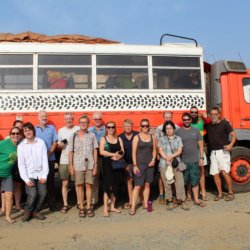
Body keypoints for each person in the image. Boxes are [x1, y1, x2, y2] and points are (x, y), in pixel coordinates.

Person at [18, 123, 49, 221]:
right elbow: (21, 164)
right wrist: (26, 179)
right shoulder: (21, 146)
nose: (28, 132)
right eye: (25, 131)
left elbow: (45, 160)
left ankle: (36, 211)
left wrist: (44, 175)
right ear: (23, 133)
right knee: (33, 194)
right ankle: (28, 212)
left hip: (40, 173)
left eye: (29, 130)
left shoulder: (41, 142)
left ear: (33, 130)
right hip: (29, 174)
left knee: (43, 193)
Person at [68, 115, 98, 218]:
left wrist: (95, 166)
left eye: (85, 122)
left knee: (89, 186)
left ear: (88, 123)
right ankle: (81, 207)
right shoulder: (73, 136)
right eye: (81, 122)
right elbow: (70, 151)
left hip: (89, 164)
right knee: (79, 186)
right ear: (79, 123)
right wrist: (71, 166)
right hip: (78, 165)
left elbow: (95, 150)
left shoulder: (92, 135)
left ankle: (89, 207)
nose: (83, 124)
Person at [205, 107, 237, 201]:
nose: (213, 116)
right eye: (211, 114)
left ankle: (230, 192)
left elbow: (233, 135)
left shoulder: (225, 124)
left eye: (215, 114)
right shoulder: (209, 125)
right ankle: (219, 194)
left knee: (224, 172)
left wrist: (231, 145)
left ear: (219, 114)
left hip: (223, 152)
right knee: (215, 174)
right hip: (213, 153)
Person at [176, 113, 206, 207]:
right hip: (183, 160)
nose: (186, 121)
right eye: (184, 120)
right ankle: (187, 195)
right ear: (182, 120)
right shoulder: (178, 131)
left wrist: (201, 157)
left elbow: (201, 145)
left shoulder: (196, 131)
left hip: (194, 159)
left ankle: (196, 199)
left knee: (195, 179)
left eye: (188, 119)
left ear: (190, 120)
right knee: (185, 180)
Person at [158, 121, 189, 210]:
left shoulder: (178, 138)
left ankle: (182, 200)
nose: (169, 130)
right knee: (167, 183)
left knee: (180, 182)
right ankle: (170, 201)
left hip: (176, 163)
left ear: (173, 129)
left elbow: (180, 150)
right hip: (164, 163)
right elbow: (160, 150)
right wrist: (167, 158)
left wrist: (171, 156)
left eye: (170, 128)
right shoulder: (161, 139)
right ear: (165, 130)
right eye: (167, 128)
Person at [129, 119, 156, 215]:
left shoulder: (153, 137)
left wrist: (153, 160)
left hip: (150, 165)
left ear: (149, 126)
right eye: (143, 125)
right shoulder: (136, 137)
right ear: (140, 126)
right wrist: (135, 165)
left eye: (146, 125)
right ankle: (132, 207)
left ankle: (145, 203)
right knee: (137, 186)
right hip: (139, 165)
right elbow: (133, 152)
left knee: (147, 184)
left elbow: (154, 151)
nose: (145, 127)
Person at [99, 121, 125, 217]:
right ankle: (105, 208)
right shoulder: (103, 139)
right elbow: (101, 152)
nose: (111, 129)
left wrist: (119, 157)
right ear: (106, 128)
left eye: (112, 127)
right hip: (107, 165)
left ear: (115, 128)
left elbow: (122, 151)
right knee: (107, 186)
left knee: (115, 185)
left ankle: (113, 206)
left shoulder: (119, 139)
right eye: (109, 127)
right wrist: (113, 154)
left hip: (117, 164)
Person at [35, 110, 58, 212]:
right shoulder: (34, 129)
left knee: (50, 183)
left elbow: (55, 142)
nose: (44, 118)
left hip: (50, 159)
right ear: (38, 117)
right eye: (42, 116)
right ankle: (40, 205)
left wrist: (48, 154)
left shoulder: (52, 128)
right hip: (37, 161)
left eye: (45, 116)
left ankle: (51, 205)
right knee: (39, 183)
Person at [155, 111, 179, 205]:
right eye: (166, 117)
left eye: (169, 117)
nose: (168, 118)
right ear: (163, 117)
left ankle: (173, 195)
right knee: (162, 176)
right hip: (163, 155)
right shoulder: (159, 128)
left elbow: (178, 140)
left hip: (173, 155)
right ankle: (162, 195)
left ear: (172, 117)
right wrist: (157, 153)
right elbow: (156, 141)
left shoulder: (176, 127)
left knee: (172, 175)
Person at [57, 113, 79, 213]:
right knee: (65, 183)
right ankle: (65, 204)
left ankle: (79, 202)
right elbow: (59, 146)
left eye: (70, 119)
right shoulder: (61, 130)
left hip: (77, 160)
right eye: (67, 119)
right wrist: (61, 144)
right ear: (64, 120)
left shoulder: (78, 128)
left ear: (73, 119)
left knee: (77, 183)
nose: (69, 120)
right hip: (64, 160)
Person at [0, 127, 20, 223]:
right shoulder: (4, 143)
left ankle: (8, 216)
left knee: (9, 195)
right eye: (13, 133)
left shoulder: (19, 146)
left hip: (8, 175)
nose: (15, 135)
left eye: (17, 133)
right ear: (10, 134)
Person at [189, 106, 210, 200]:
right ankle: (189, 193)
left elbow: (210, 121)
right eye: (192, 112)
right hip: (190, 150)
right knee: (190, 172)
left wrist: (206, 117)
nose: (194, 113)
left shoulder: (201, 121)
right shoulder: (187, 121)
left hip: (200, 149)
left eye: (195, 112)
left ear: (198, 113)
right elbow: (175, 126)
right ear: (190, 113)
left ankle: (203, 191)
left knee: (201, 171)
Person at [119, 119, 139, 209]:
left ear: (132, 126)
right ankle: (131, 200)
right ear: (123, 127)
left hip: (137, 164)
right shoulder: (120, 137)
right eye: (126, 126)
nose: (128, 127)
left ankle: (139, 199)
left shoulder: (137, 135)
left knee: (138, 180)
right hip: (127, 164)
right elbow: (120, 153)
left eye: (129, 126)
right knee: (129, 181)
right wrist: (124, 164)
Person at [88, 111, 105, 208]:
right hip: (93, 158)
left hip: (105, 157)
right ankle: (94, 201)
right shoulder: (89, 130)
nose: (98, 121)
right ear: (93, 120)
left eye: (99, 119)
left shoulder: (107, 129)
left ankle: (108, 200)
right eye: (95, 119)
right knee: (94, 179)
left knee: (107, 178)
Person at [12, 120, 25, 212]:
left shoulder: (24, 139)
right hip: (10, 165)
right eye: (17, 126)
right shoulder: (8, 139)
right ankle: (4, 207)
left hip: (19, 166)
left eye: (21, 126)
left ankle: (17, 205)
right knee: (7, 187)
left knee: (18, 186)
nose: (19, 128)